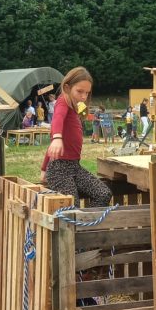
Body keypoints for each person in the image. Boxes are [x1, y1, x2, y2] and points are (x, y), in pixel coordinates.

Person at [41, 67, 112, 207]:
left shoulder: (77, 105)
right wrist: (57, 137)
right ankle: (78, 226)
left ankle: (87, 226)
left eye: (87, 93)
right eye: (80, 91)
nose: (84, 96)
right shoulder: (63, 101)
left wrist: (99, 118)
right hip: (58, 170)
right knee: (73, 207)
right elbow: (57, 119)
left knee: (103, 194)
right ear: (67, 87)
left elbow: (86, 115)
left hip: (74, 166)